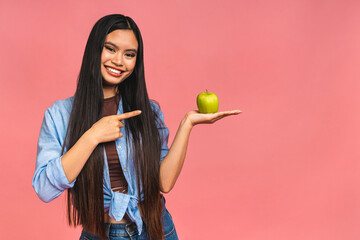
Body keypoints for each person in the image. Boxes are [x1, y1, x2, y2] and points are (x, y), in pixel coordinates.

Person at [32, 14, 241, 240]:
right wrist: (92, 136)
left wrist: (187, 123)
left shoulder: (148, 111)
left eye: (129, 54)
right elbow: (44, 188)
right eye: (110, 49)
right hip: (102, 234)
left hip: (157, 228)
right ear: (94, 49)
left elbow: (164, 182)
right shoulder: (59, 115)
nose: (119, 61)